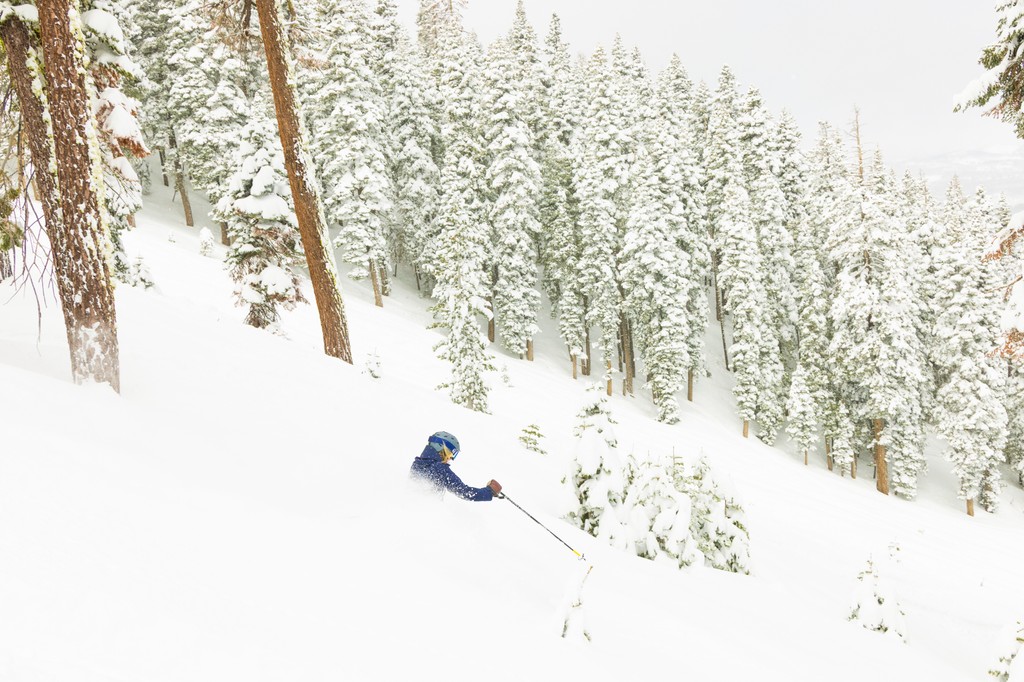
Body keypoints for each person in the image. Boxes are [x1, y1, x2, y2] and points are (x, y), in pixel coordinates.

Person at [410, 431, 502, 501]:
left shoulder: (417, 464)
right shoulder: (440, 469)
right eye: (450, 454)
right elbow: (465, 492)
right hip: (431, 515)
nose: (450, 458)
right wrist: (489, 491)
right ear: (440, 447)